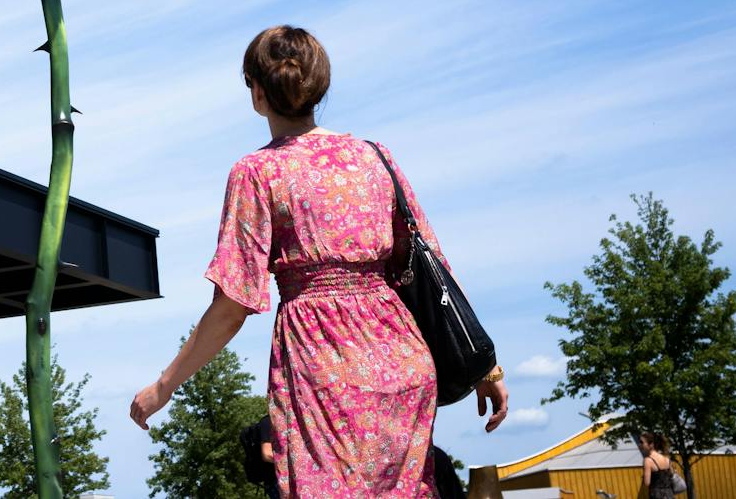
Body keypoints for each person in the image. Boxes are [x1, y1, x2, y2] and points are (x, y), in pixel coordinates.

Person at [128, 25, 509, 497]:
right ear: (319, 87)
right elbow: (437, 267)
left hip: (322, 370)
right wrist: (486, 367)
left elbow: (233, 305)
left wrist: (163, 387)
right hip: (404, 363)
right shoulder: (374, 157)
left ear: (257, 92)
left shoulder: (257, 172)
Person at [639, 431, 678, 498]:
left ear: (651, 444)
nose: (640, 444)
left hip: (657, 495)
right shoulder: (666, 459)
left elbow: (647, 483)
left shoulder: (648, 461)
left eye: (642, 442)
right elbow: (672, 475)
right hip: (669, 494)